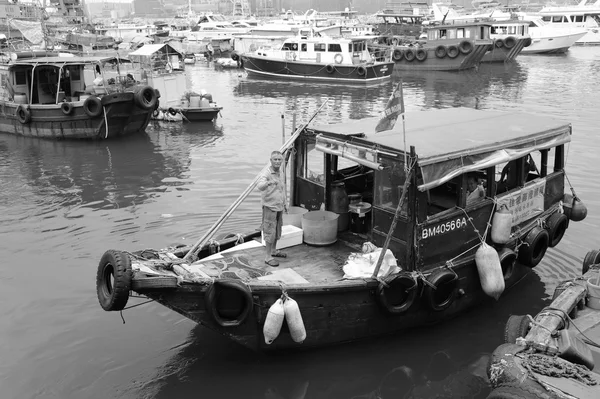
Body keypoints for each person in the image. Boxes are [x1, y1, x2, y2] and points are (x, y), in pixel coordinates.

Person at [257, 151, 288, 267]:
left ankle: (274, 251)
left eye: (279, 160)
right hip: (270, 206)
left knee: (277, 230)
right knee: (269, 231)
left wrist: (285, 203)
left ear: (282, 161)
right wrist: (269, 182)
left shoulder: (281, 172)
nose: (277, 162)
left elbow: (282, 189)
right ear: (270, 160)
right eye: (275, 159)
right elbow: (259, 186)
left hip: (279, 206)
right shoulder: (266, 173)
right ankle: (268, 257)